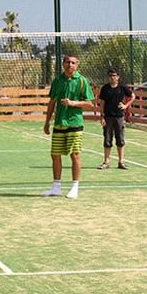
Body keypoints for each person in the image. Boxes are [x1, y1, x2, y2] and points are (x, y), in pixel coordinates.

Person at [42, 54, 93, 199]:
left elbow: (89, 103)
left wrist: (73, 103)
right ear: (63, 64)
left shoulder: (82, 81)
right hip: (59, 123)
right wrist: (47, 122)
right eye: (67, 62)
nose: (70, 65)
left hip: (74, 123)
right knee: (55, 155)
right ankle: (56, 187)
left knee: (74, 154)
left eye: (73, 63)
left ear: (77, 65)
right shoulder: (57, 81)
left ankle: (75, 187)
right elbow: (52, 102)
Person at [97, 68, 134, 170]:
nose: (112, 78)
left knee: (120, 139)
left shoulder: (122, 88)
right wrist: (102, 116)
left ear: (118, 77)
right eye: (110, 76)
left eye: (114, 75)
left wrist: (126, 106)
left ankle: (121, 161)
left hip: (119, 116)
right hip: (108, 117)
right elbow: (102, 103)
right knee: (107, 139)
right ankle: (106, 161)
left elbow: (132, 96)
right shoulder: (105, 88)